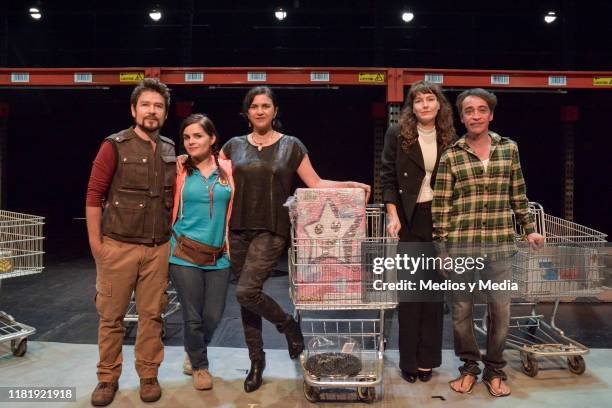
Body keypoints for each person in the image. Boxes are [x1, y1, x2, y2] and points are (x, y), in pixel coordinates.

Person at [220, 86, 371, 392]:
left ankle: (287, 324)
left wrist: (348, 184)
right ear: (247, 113)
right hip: (236, 230)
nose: (260, 111)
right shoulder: (232, 147)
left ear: (275, 111)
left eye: (266, 105)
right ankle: (256, 362)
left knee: (246, 291)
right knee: (247, 300)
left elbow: (314, 182)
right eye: (254, 106)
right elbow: (211, 177)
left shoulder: (291, 146)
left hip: (272, 229)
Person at [432, 88, 544, 397]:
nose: (476, 115)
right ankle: (469, 367)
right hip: (461, 246)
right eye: (469, 111)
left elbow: (518, 194)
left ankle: (494, 371)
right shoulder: (452, 155)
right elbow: (441, 206)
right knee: (461, 312)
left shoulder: (509, 149)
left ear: (491, 114)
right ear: (462, 116)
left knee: (500, 311)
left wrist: (529, 229)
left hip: (499, 246)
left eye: (482, 110)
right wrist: (442, 251)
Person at [85, 78, 176, 406]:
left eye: (158, 106)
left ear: (164, 113)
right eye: (146, 105)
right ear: (134, 109)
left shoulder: (168, 148)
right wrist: (98, 247)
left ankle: (148, 374)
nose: (152, 111)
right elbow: (94, 195)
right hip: (118, 248)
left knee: (152, 315)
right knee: (111, 317)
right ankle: (107, 378)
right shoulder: (114, 145)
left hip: (157, 250)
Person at [381, 80, 455, 383]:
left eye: (430, 99)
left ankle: (428, 361)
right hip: (409, 220)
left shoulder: (450, 136)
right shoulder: (398, 133)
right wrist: (393, 216)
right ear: (412, 107)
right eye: (418, 101)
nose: (424, 105)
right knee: (412, 295)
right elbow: (386, 175)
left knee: (434, 295)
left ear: (439, 105)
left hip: (439, 219)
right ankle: (409, 362)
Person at [169, 114, 233, 391]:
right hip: (182, 252)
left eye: (197, 136)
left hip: (219, 255)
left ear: (212, 138)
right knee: (192, 315)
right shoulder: (179, 170)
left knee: (213, 315)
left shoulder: (229, 170)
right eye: (187, 137)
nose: (191, 141)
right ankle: (200, 366)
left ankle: (192, 348)